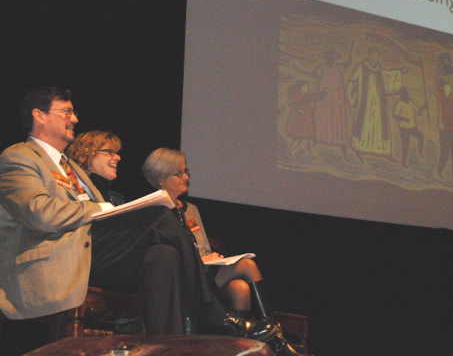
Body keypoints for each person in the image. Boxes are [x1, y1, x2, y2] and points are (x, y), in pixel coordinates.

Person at [66, 132, 266, 340]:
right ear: (86, 154)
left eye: (118, 153)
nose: (118, 158)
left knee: (164, 254)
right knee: (161, 215)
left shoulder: (115, 196)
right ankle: (208, 310)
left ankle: (169, 343)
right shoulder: (76, 185)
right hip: (90, 258)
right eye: (110, 152)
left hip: (127, 263)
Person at [142, 148, 301, 356]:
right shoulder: (153, 208)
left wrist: (210, 257)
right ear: (161, 178)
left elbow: (203, 247)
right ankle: (273, 335)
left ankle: (238, 347)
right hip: (184, 277)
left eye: (186, 171)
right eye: (179, 173)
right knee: (247, 265)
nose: (186, 177)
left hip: (206, 272)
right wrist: (199, 258)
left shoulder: (191, 210)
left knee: (240, 288)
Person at [0, 87, 110, 354]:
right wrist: (96, 209)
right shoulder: (18, 157)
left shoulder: (71, 166)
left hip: (92, 252)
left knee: (161, 253)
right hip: (54, 260)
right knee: (159, 228)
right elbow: (40, 212)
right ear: (40, 116)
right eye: (67, 112)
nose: (75, 119)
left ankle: (175, 338)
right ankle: (210, 314)